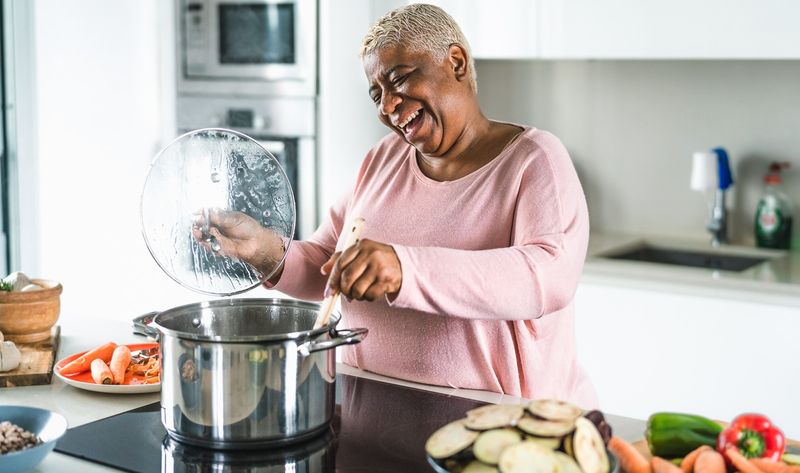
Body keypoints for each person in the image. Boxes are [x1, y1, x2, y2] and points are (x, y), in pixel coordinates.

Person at [199, 3, 596, 407]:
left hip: (497, 425)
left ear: (455, 62)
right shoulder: (382, 159)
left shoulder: (533, 158)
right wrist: (266, 251)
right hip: (369, 407)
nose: (388, 107)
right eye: (378, 94)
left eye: (400, 79)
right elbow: (327, 266)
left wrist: (405, 269)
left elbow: (547, 276)